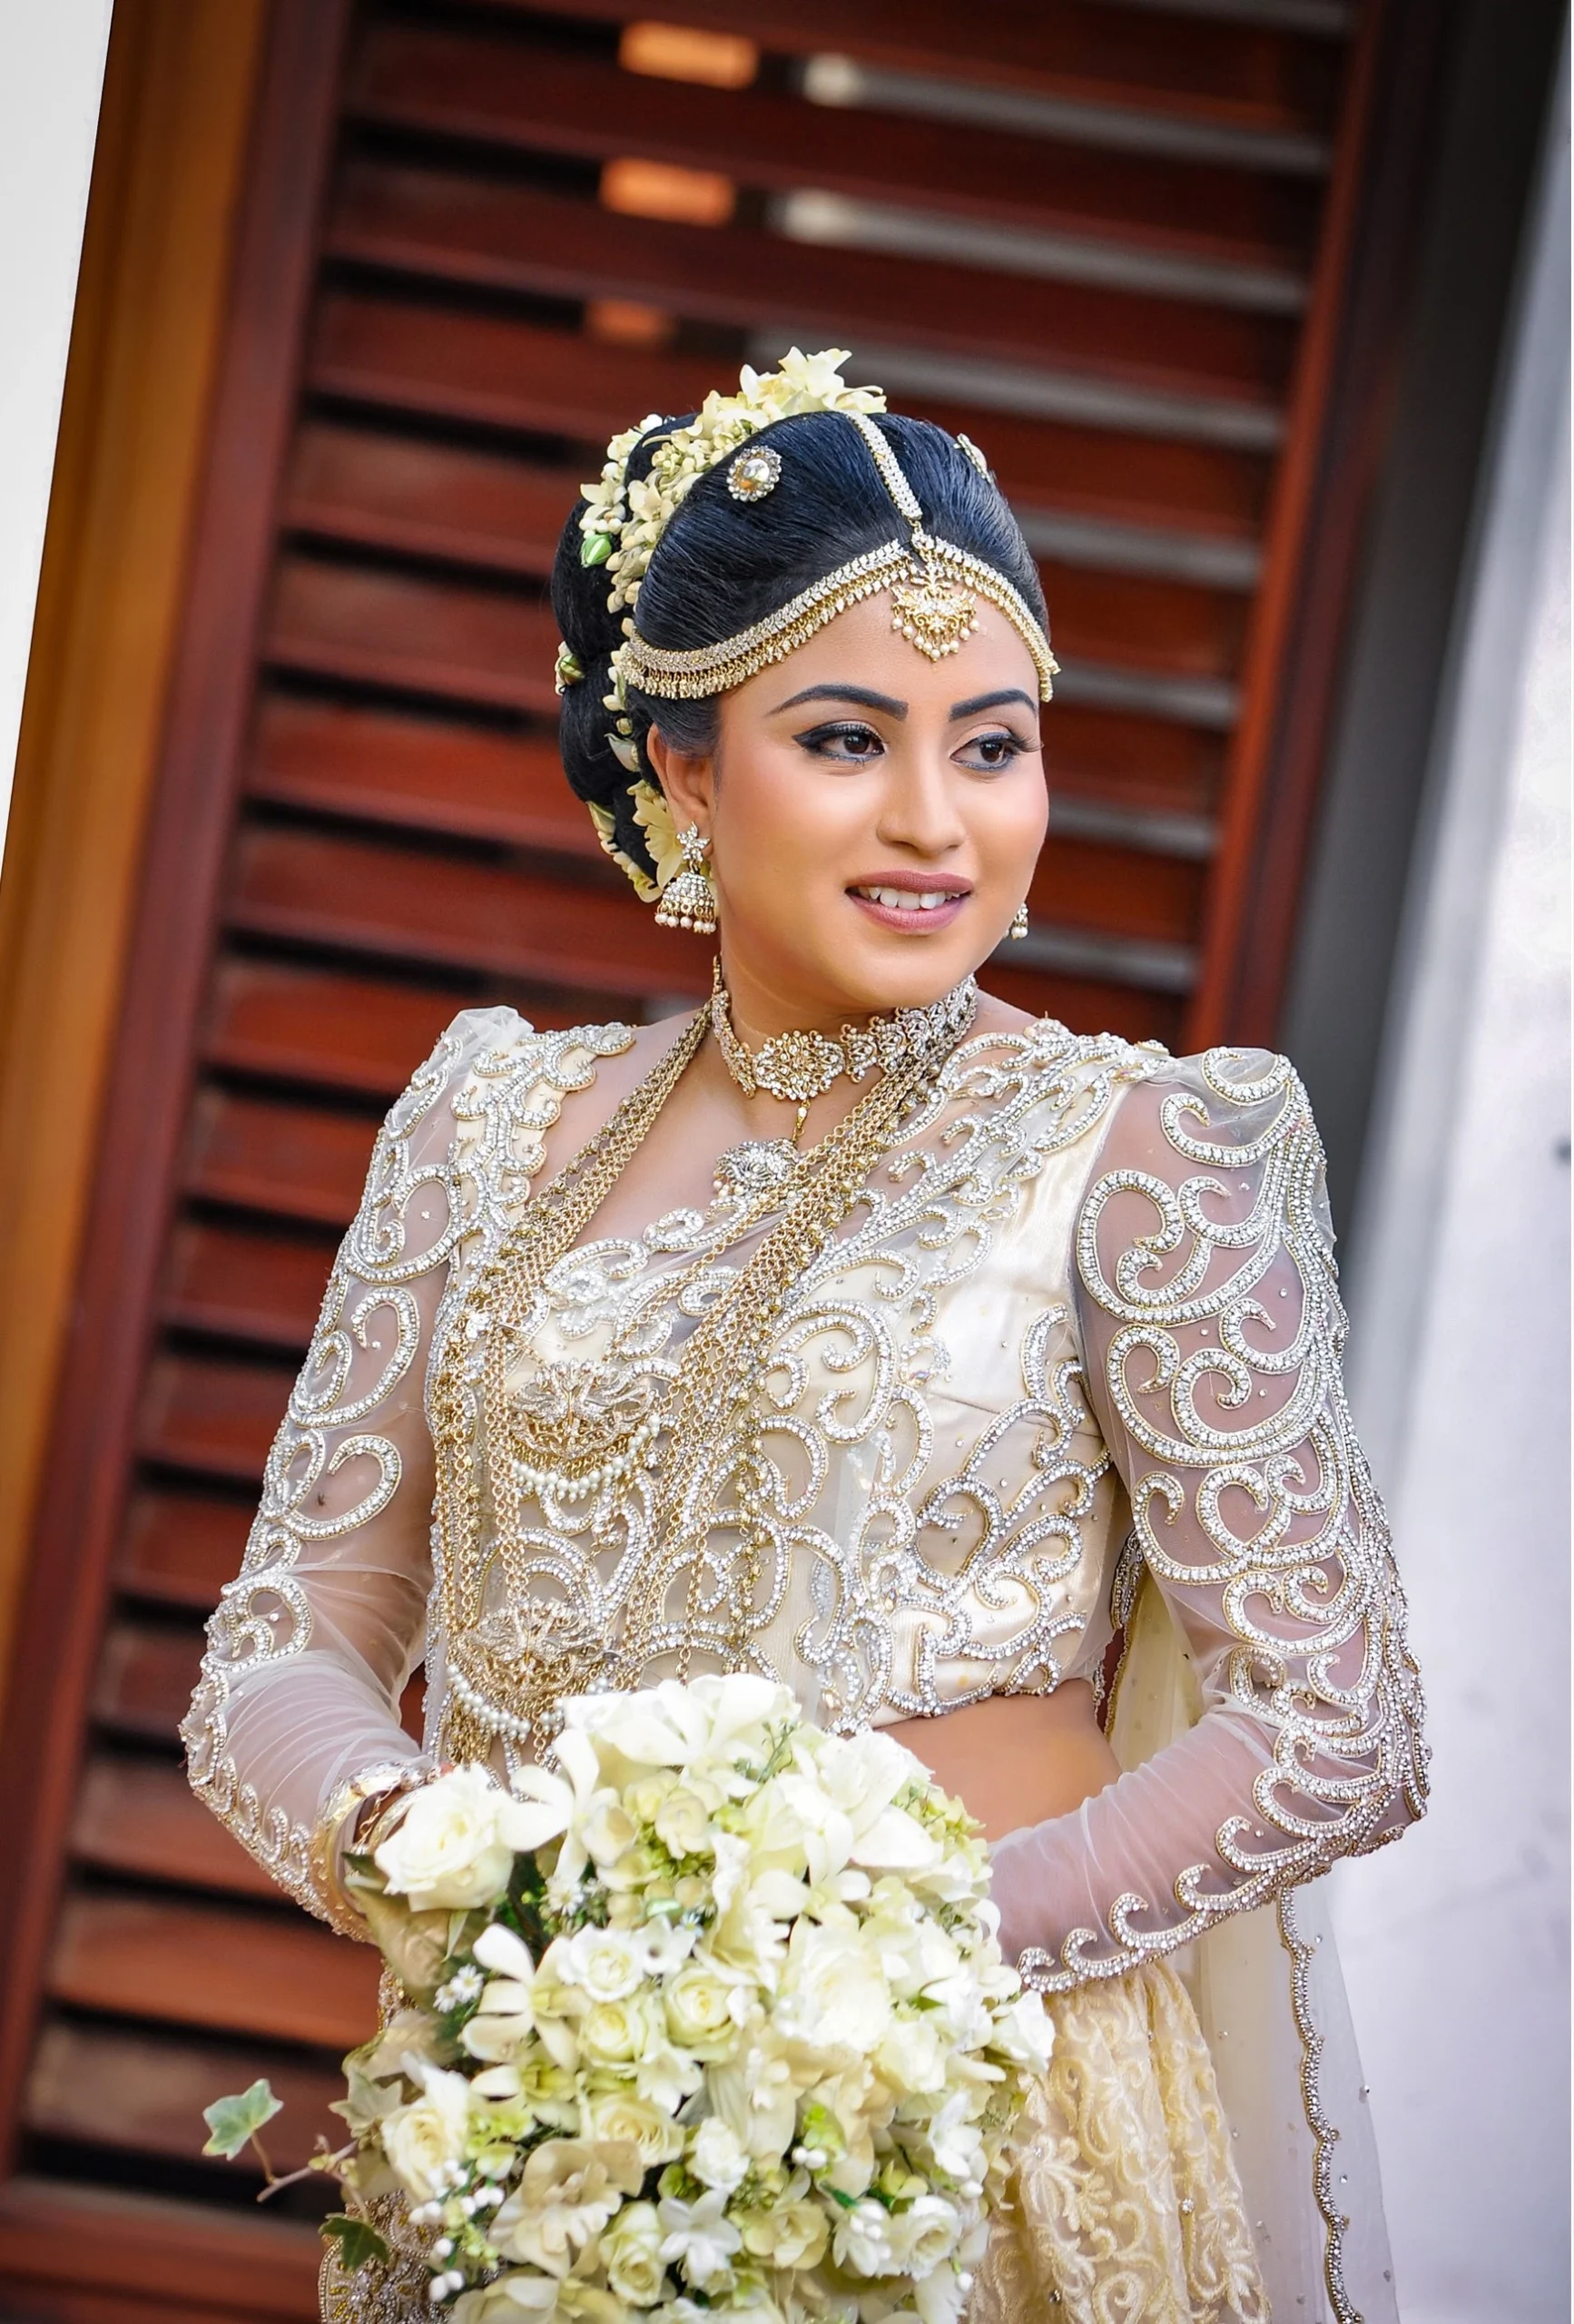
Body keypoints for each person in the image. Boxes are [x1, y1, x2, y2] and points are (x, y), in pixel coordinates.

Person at [183, 351, 1427, 2324]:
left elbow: (1333, 1722)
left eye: (994, 744)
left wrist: (875, 1952)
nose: (936, 820)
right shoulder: (491, 1126)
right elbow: (290, 1635)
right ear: (685, 768)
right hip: (549, 2125)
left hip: (977, 2133)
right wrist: (466, 1871)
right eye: (848, 737)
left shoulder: (1136, 1155)